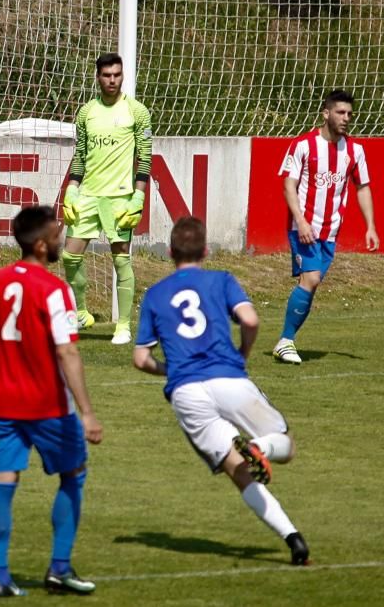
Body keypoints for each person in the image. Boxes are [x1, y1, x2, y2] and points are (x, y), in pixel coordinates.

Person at [133, 216, 311, 566]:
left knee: (237, 470)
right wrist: (242, 355)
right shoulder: (221, 280)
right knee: (285, 445)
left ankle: (294, 540)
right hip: (228, 379)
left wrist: (173, 371)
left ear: (170, 252)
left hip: (186, 393)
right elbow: (251, 320)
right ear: (206, 250)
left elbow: (141, 359)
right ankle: (259, 446)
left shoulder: (155, 295)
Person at [0, 205, 104, 598]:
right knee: (74, 473)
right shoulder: (55, 289)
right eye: (55, 236)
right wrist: (87, 412)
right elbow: (67, 352)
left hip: (4, 405)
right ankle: (59, 568)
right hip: (50, 406)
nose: (60, 240)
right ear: (39, 245)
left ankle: (0, 577)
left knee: (3, 483)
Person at [273, 89, 379, 364]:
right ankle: (286, 341)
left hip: (330, 231)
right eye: (340, 112)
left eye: (349, 114)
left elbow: (363, 187)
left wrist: (371, 226)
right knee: (311, 279)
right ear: (326, 113)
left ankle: (286, 340)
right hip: (303, 227)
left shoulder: (355, 151)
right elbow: (288, 185)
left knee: (311, 283)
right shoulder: (303, 145)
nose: (346, 118)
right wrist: (300, 220)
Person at [61, 52, 153, 345]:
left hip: (119, 199)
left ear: (122, 75)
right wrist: (72, 189)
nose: (112, 80)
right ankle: (82, 312)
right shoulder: (86, 112)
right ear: (98, 77)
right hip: (87, 195)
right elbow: (80, 156)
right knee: (69, 256)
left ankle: (124, 325)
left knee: (121, 260)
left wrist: (138, 197)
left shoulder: (137, 112)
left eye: (117, 74)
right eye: (106, 75)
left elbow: (145, 158)